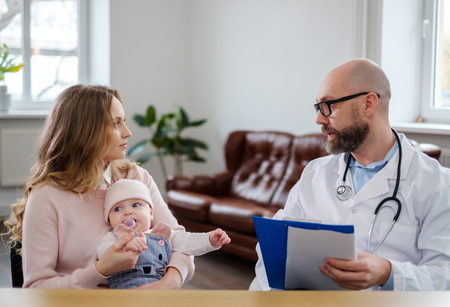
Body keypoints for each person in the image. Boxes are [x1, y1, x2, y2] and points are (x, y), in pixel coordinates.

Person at [253, 58, 450, 291]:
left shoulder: (437, 183)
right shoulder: (315, 173)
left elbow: (444, 275)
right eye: (318, 107)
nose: (319, 119)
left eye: (329, 105)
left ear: (368, 104)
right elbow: (273, 252)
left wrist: (388, 273)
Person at [3, 84, 195, 289]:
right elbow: (36, 287)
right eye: (116, 123)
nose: (127, 132)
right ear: (85, 132)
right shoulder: (46, 197)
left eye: (124, 122)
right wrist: (101, 270)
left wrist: (167, 284)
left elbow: (179, 241)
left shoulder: (136, 177)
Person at [98, 178, 231, 289]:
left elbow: (188, 242)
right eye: (118, 208)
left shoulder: (164, 235)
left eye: (135, 205)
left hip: (160, 293)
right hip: (123, 296)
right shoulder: (113, 237)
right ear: (109, 219)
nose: (127, 212)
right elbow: (103, 254)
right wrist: (124, 246)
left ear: (151, 213)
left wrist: (209, 239)